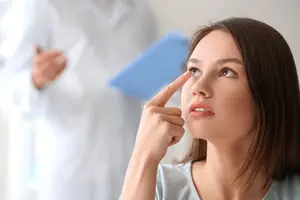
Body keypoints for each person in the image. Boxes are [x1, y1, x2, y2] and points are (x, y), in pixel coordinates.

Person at [120, 17, 300, 200]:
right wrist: (143, 157)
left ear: (270, 92)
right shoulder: (157, 186)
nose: (199, 87)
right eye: (194, 70)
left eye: (226, 72)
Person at [0, 0, 157, 200]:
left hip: (128, 169)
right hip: (70, 174)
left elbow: (156, 81)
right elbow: (7, 91)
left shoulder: (141, 14)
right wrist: (35, 80)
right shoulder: (43, 6)